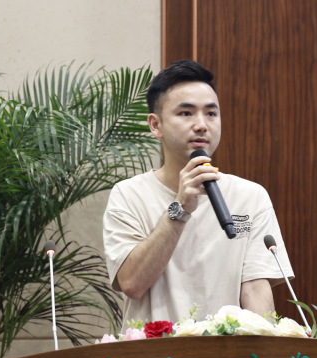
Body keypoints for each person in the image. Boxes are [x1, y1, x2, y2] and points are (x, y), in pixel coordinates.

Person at [103, 59, 293, 331]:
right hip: (154, 353)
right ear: (155, 125)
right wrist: (180, 208)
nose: (202, 125)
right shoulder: (129, 194)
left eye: (211, 113)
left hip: (227, 352)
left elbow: (254, 288)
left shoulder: (251, 196)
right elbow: (132, 283)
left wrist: (266, 347)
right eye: (186, 113)